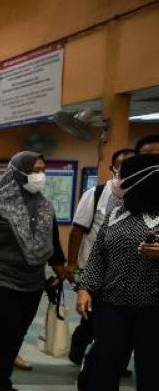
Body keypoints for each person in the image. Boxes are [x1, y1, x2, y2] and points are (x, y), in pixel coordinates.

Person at [75, 153, 159, 391]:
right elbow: (98, 254)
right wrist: (85, 287)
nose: (119, 183)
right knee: (105, 363)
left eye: (126, 177)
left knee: (153, 372)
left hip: (153, 307)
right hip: (112, 303)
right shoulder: (117, 213)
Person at [0, 152, 65, 391]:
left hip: (33, 278)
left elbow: (54, 243)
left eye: (42, 170)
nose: (40, 176)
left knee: (18, 330)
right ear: (18, 172)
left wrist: (63, 273)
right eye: (35, 170)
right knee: (6, 326)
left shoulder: (45, 205)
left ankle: (2, 376)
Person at [65, 148, 135, 367]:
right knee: (92, 318)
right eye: (120, 166)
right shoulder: (96, 194)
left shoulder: (142, 197)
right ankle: (78, 350)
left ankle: (115, 362)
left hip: (125, 273)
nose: (125, 171)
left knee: (117, 321)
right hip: (93, 269)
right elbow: (77, 231)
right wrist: (72, 264)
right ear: (112, 168)